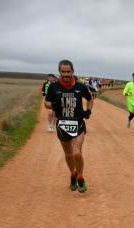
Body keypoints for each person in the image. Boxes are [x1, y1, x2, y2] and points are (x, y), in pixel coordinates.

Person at [44, 59, 93, 193]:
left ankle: (81, 177)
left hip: (78, 123)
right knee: (68, 154)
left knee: (77, 152)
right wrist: (54, 105)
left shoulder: (80, 86)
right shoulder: (54, 87)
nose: (66, 74)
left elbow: (90, 99)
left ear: (73, 71)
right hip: (62, 124)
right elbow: (46, 103)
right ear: (59, 72)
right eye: (63, 72)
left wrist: (88, 111)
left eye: (68, 71)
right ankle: (72, 174)